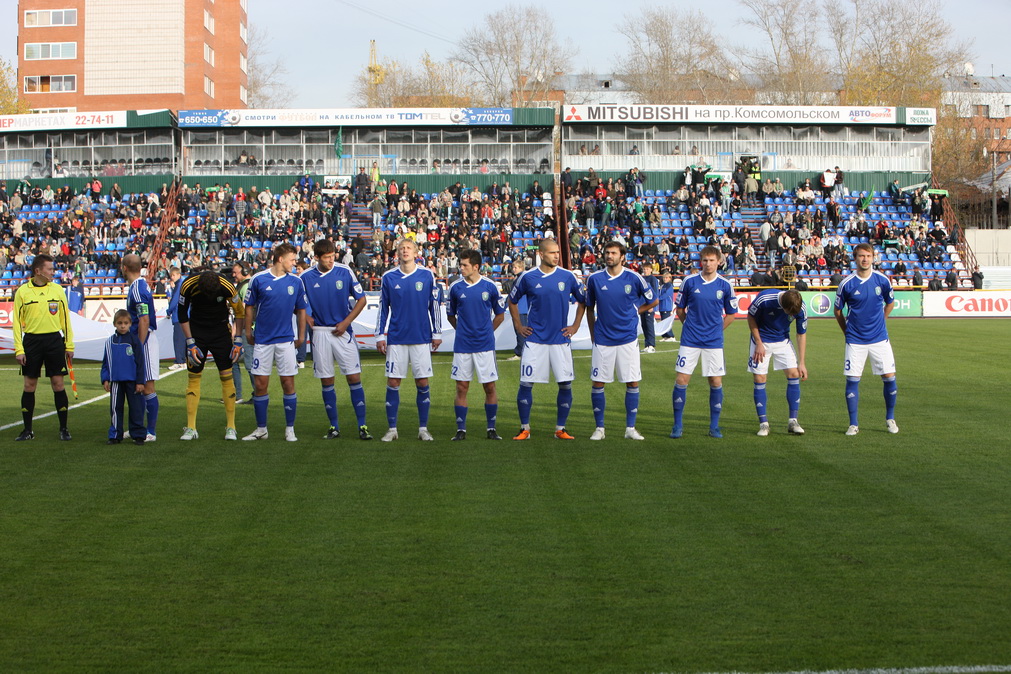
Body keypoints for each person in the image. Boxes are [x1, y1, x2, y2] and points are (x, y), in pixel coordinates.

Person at [508, 239, 586, 441]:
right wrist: (518, 326)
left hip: (560, 340)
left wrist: (576, 325)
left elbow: (583, 301)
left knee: (565, 385)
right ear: (541, 255)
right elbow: (512, 300)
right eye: (552, 253)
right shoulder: (528, 277)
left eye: (558, 252)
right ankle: (525, 428)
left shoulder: (568, 276)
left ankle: (560, 428)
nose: (557, 256)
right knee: (526, 384)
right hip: (535, 340)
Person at [584, 241, 657, 441]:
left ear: (622, 256)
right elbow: (589, 308)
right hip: (603, 339)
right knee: (598, 382)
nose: (609, 256)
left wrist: (636, 310)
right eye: (607, 253)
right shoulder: (595, 279)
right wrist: (592, 334)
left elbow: (653, 299)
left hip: (627, 339)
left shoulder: (634, 278)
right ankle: (599, 428)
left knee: (632, 382)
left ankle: (630, 428)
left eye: (614, 253)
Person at [301, 239, 372, 441]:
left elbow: (362, 299)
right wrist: (306, 316)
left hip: (343, 332)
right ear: (317, 257)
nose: (331, 261)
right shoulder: (305, 276)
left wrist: (346, 321)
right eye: (327, 258)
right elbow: (297, 302)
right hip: (321, 333)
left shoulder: (344, 271)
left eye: (333, 257)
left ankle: (363, 426)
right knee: (327, 380)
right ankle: (334, 426)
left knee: (354, 377)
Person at [375, 238, 443, 442]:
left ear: (416, 253)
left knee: (422, 382)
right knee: (393, 381)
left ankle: (423, 428)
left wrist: (437, 333)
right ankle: (392, 429)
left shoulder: (427, 275)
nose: (405, 251)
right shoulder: (388, 277)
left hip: (421, 337)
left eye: (408, 248)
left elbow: (435, 306)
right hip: (396, 338)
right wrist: (380, 335)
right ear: (397, 253)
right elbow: (382, 308)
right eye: (401, 248)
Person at [243, 243, 308, 442]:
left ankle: (290, 429)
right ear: (280, 259)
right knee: (261, 385)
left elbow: (301, 311)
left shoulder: (296, 282)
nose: (294, 263)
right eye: (292, 259)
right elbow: (249, 307)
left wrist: (302, 336)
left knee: (288, 382)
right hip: (262, 340)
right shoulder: (258, 279)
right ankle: (261, 429)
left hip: (286, 341)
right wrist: (247, 331)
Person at [671, 246, 738, 439]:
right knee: (681, 380)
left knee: (715, 381)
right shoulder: (689, 281)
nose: (708, 264)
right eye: (705, 260)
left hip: (713, 342)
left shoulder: (725, 285)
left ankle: (714, 426)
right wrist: (690, 327)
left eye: (711, 260)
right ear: (701, 261)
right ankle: (677, 425)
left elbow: (731, 314)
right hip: (690, 340)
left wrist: (716, 330)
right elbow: (680, 310)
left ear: (718, 261)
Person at [834, 242, 898, 436]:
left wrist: (882, 321)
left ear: (873, 258)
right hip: (855, 341)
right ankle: (853, 424)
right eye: (861, 256)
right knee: (853, 379)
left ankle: (890, 419)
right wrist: (847, 332)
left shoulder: (882, 280)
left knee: (889, 378)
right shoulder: (846, 283)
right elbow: (837, 311)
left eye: (868, 256)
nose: (865, 259)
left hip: (879, 339)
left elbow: (890, 302)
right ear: (855, 258)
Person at [177, 267, 246, 441]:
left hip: (220, 333)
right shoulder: (188, 285)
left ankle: (231, 427)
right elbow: (181, 313)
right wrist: (190, 341)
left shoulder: (227, 286)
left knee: (226, 376)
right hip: (197, 333)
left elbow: (240, 312)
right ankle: (191, 427)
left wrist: (238, 339)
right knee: (193, 377)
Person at [12, 254, 74, 441]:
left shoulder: (57, 290)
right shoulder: (23, 292)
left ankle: (63, 429)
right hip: (31, 342)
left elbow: (65, 319)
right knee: (29, 385)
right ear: (38, 271)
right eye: (49, 269)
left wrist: (69, 344)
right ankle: (27, 430)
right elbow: (16, 323)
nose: (52, 272)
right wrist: (19, 349)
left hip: (54, 341)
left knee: (58, 384)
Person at [447, 250, 506, 441]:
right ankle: (461, 429)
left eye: (464, 265)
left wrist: (488, 331)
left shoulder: (490, 286)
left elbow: (500, 314)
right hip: (463, 345)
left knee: (489, 387)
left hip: (485, 346)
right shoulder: (456, 288)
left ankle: (491, 428)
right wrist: (462, 330)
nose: (461, 268)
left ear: (476, 266)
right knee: (462, 387)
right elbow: (450, 315)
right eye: (460, 265)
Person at [747, 289, 808, 437]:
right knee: (760, 378)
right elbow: (750, 317)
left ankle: (793, 421)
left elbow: (801, 334)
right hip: (761, 341)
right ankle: (764, 424)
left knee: (794, 373)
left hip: (783, 340)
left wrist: (802, 362)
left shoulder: (801, 308)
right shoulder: (765, 299)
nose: (792, 316)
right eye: (789, 313)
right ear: (783, 306)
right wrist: (759, 342)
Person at [122, 254, 159, 442]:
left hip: (144, 341)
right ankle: (138, 427)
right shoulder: (139, 285)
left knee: (147, 386)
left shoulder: (137, 289)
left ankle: (150, 431)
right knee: (138, 386)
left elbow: (144, 319)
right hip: (142, 339)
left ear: (124, 268)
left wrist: (139, 344)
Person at [101, 310, 146, 445]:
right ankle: (115, 435)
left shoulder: (134, 340)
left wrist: (140, 381)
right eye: (119, 323)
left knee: (136, 408)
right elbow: (105, 363)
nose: (122, 326)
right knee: (115, 408)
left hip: (132, 381)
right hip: (116, 382)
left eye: (125, 323)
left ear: (130, 324)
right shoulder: (110, 342)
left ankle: (138, 434)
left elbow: (140, 362)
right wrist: (105, 378)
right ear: (114, 324)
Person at [166, 267, 186, 371]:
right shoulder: (183, 283)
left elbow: (175, 300)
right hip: (185, 315)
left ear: (178, 274)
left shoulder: (179, 284)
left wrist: (168, 311)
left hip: (178, 315)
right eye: (171, 276)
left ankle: (179, 361)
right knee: (183, 339)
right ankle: (183, 360)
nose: (172, 278)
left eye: (173, 275)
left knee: (178, 339)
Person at [639, 264, 660, 353]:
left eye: (647, 269)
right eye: (644, 269)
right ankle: (647, 344)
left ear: (651, 270)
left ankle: (651, 345)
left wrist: (652, 306)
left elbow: (655, 292)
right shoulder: (642, 279)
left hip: (649, 306)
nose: (645, 271)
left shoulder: (653, 279)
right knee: (644, 325)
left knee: (649, 325)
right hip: (642, 305)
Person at [657, 271, 678, 343]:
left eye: (666, 277)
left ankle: (671, 336)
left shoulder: (669, 285)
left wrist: (658, 299)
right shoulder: (663, 285)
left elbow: (666, 295)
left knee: (666, 321)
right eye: (664, 278)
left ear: (670, 278)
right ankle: (665, 336)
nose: (665, 279)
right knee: (663, 321)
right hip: (662, 306)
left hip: (666, 306)